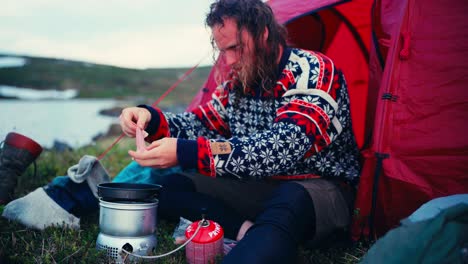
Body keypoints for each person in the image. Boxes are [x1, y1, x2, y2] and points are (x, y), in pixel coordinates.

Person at [3, 0, 361, 263]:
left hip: (318, 187)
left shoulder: (313, 70)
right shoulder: (238, 82)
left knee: (287, 205)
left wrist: (188, 152)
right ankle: (245, 231)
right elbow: (200, 122)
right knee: (170, 188)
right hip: (257, 186)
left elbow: (281, 149)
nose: (230, 60)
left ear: (264, 33)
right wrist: (148, 117)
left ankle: (258, 238)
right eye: (223, 51)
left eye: (236, 47)